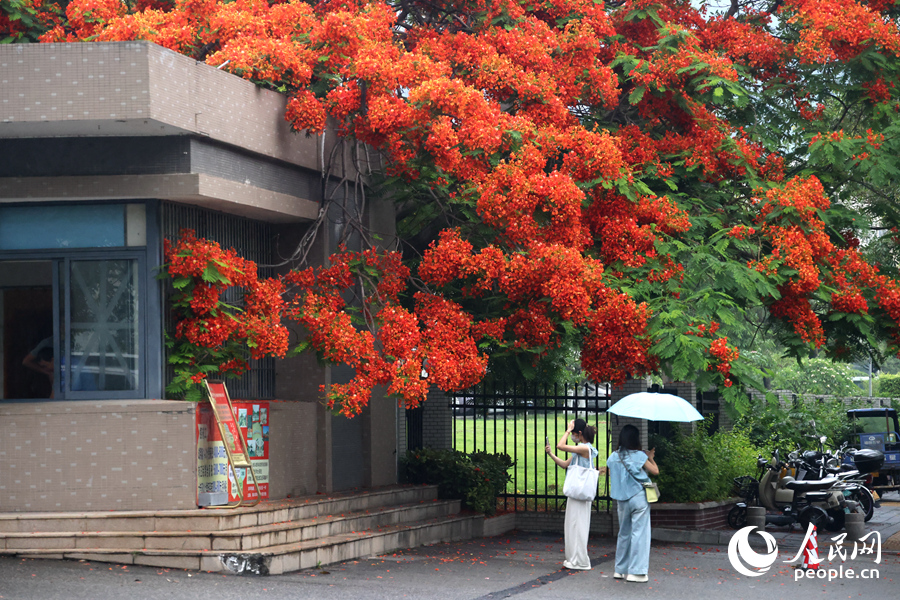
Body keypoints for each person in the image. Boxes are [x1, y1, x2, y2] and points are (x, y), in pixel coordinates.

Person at [545, 418, 603, 570]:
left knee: (579, 526)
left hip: (580, 494)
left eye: (572, 431)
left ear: (579, 433)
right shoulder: (580, 450)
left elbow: (561, 446)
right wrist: (551, 454)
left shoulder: (585, 449)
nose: (571, 434)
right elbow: (565, 464)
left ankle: (580, 560)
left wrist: (567, 431)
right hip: (576, 493)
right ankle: (573, 559)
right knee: (572, 526)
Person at [607, 423, 659, 583]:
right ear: (635, 439)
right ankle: (636, 572)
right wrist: (650, 457)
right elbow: (655, 471)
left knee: (624, 533)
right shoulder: (639, 456)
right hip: (638, 497)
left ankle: (620, 570)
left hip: (621, 500)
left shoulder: (613, 457)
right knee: (640, 533)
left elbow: (611, 473)